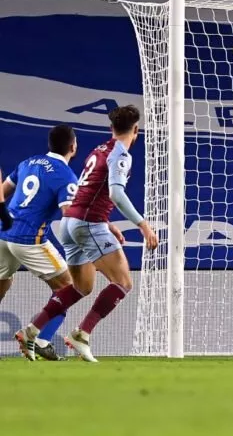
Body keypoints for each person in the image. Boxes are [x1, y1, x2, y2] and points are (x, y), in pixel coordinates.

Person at [16, 105, 159, 362]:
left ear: (110, 129)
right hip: (87, 224)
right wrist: (143, 225)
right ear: (136, 130)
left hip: (69, 224)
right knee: (123, 282)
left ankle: (31, 330)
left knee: (82, 287)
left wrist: (107, 223)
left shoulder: (98, 150)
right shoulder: (121, 155)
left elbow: (88, 192)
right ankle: (82, 334)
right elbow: (116, 193)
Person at [2, 125, 87, 361]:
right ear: (73, 146)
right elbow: (69, 216)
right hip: (30, 239)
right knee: (69, 288)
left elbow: (3, 192)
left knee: (2, 285)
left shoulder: (28, 162)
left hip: (3, 234)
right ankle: (41, 339)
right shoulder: (65, 176)